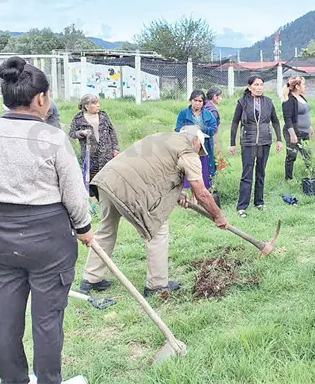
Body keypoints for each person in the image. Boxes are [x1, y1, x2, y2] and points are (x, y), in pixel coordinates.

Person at [0, 56, 93, 384]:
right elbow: (75, 197)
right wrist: (85, 229)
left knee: (5, 318)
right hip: (48, 240)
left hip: (0, 240)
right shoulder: (52, 138)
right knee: (47, 321)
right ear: (41, 98)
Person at [79, 125, 227, 296]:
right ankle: (157, 284)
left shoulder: (160, 137)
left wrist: (178, 194)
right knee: (158, 230)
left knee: (106, 229)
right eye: (199, 147)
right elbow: (201, 192)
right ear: (195, 140)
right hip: (129, 187)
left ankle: (91, 279)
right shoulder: (187, 151)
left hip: (107, 180)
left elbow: (156, 172)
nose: (198, 151)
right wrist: (218, 215)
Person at [230, 75, 282, 217]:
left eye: (261, 85)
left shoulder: (268, 102)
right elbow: (235, 123)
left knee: (261, 172)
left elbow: (275, 121)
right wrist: (232, 143)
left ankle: (259, 202)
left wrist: (279, 139)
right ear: (249, 87)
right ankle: (242, 206)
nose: (259, 87)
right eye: (256, 85)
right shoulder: (242, 102)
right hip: (248, 142)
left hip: (265, 142)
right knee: (247, 174)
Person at [69, 94, 119, 197]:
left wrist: (115, 148)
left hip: (106, 154)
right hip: (90, 156)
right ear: (87, 106)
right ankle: (93, 201)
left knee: (107, 179)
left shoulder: (103, 116)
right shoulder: (78, 119)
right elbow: (72, 133)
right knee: (92, 181)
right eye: (95, 103)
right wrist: (81, 133)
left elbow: (112, 132)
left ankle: (107, 199)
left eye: (98, 103)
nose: (98, 105)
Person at [175, 90, 217, 186]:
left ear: (203, 103)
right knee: (189, 175)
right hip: (188, 148)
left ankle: (202, 195)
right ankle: (191, 197)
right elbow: (177, 129)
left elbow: (213, 129)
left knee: (204, 175)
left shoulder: (208, 115)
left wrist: (201, 128)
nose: (197, 103)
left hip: (204, 147)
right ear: (190, 100)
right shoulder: (183, 113)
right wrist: (190, 131)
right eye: (195, 100)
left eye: (200, 101)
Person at [281, 76, 314, 180]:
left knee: (308, 155)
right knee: (291, 155)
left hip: (304, 131)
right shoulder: (289, 99)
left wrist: (309, 126)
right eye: (303, 84)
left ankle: (311, 177)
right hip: (294, 132)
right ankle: (288, 179)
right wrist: (292, 134)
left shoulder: (301, 97)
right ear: (297, 86)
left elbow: (305, 113)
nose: (305, 87)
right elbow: (287, 118)